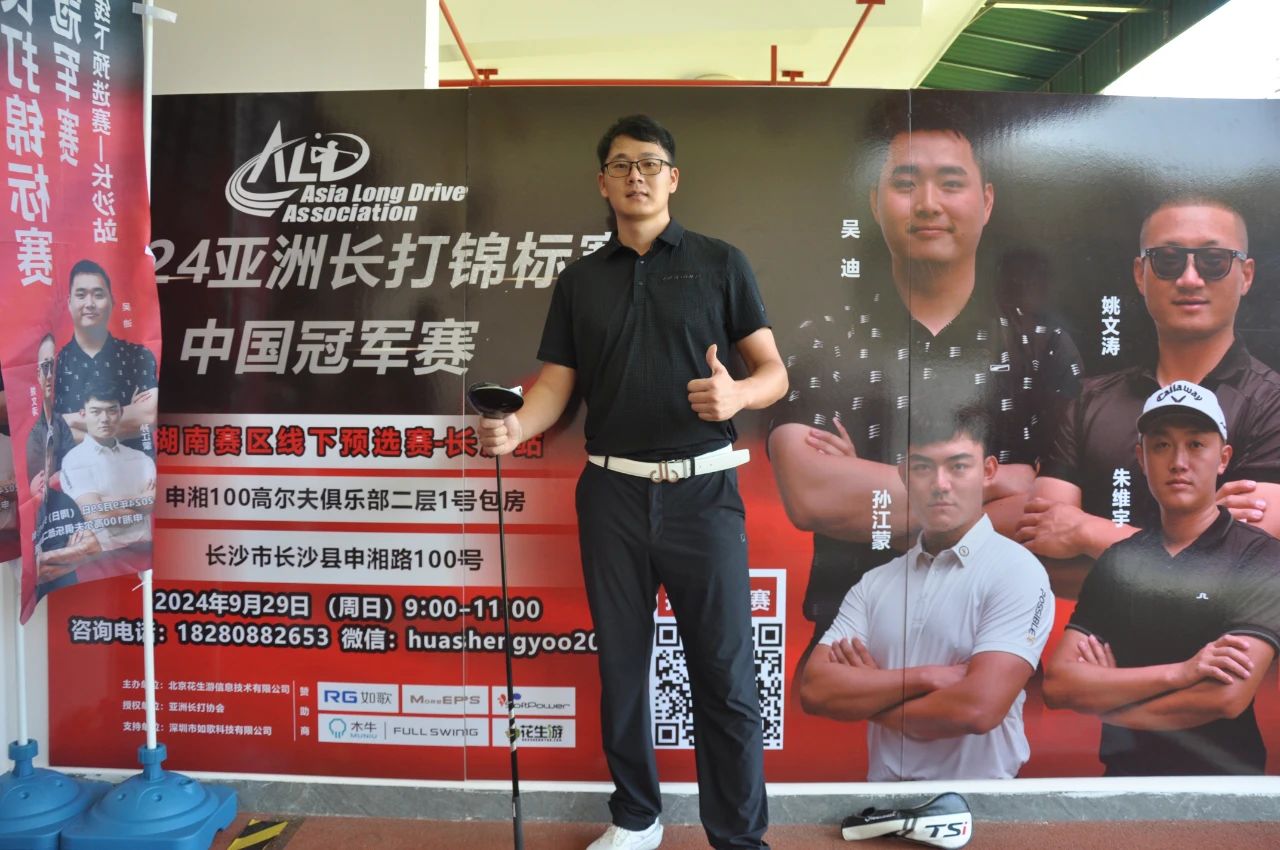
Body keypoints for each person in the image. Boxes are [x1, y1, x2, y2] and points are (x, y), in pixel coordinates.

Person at [478, 114, 786, 850]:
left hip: (704, 493)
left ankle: (739, 838)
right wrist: (517, 428)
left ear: (673, 178)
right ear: (603, 183)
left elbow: (774, 372)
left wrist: (738, 396)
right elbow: (557, 387)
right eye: (621, 165)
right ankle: (636, 819)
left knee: (725, 676)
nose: (636, 176)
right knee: (621, 669)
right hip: (611, 492)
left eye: (649, 163)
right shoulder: (581, 281)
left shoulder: (721, 263)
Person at [769, 96, 1081, 645]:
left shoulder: (1042, 348)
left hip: (992, 640)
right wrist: (994, 486)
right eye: (907, 184)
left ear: (986, 201)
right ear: (875, 202)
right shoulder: (825, 343)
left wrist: (871, 490)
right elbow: (811, 495)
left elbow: (1049, 516)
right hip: (851, 642)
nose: (929, 204)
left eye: (951, 183)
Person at [1018, 198, 1280, 594]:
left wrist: (1088, 532)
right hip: (1090, 632)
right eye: (1168, 260)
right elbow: (1044, 547)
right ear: (1140, 275)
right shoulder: (1088, 401)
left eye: (1213, 261)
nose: (1189, 278)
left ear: (1245, 276)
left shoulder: (1272, 404)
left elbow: (1238, 566)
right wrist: (1195, 543)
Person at [798, 404, 1053, 780]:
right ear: (904, 474)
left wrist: (870, 697)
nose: (940, 484)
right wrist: (927, 677)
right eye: (923, 468)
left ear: (988, 472)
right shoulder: (876, 582)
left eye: (958, 467)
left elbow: (977, 710)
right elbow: (816, 690)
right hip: (884, 802)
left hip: (980, 803)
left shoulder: (1017, 571)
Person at [1043, 382, 1280, 775]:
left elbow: (1225, 698)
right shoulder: (1118, 561)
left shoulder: (1258, 556)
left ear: (1223, 458)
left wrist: (1110, 703)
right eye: (1162, 445)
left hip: (1224, 789)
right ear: (1141, 457)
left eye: (1196, 444)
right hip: (1122, 784)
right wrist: (1182, 672)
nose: (1178, 462)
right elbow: (1059, 685)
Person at [55, 259, 158, 452]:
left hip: (132, 467)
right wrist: (124, 422)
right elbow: (51, 432)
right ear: (69, 303)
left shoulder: (138, 356)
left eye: (98, 295)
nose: (89, 304)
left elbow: (148, 416)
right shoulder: (55, 364)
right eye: (81, 295)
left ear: (112, 301)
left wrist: (68, 421)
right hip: (73, 469)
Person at [59, 382, 157, 554]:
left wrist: (106, 502)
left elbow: (156, 503)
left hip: (146, 553)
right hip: (102, 557)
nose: (104, 419)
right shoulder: (74, 460)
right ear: (83, 414)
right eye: (96, 412)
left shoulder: (141, 459)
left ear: (121, 413)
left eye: (111, 411)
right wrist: (141, 500)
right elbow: (96, 516)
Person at [27, 332, 77, 497]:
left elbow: (75, 470)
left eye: (54, 366)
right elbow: (37, 489)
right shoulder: (33, 432)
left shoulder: (61, 422)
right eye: (45, 367)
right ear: (38, 374)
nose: (49, 375)